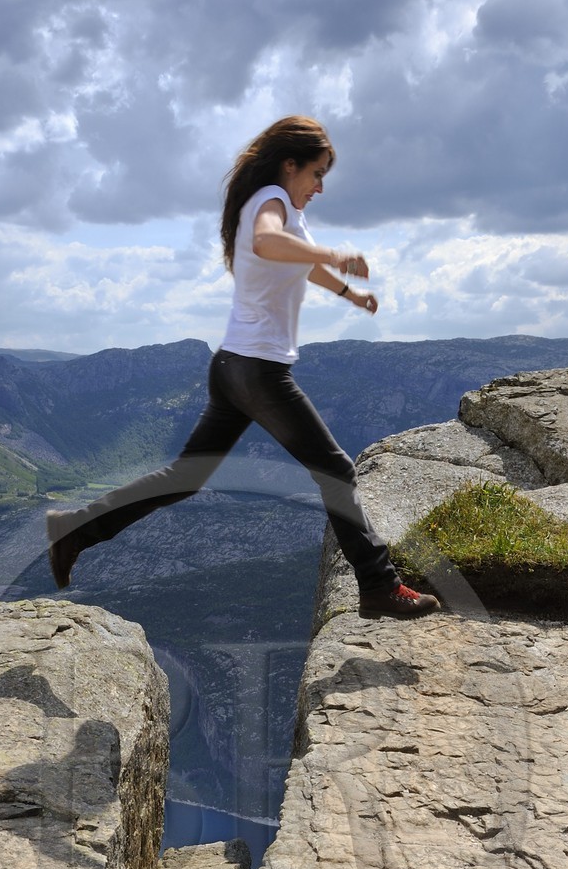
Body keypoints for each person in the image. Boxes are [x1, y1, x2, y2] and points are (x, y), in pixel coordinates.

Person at [47, 115, 440, 618]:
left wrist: (348, 293)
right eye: (316, 174)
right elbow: (266, 242)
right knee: (336, 469)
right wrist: (338, 255)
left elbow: (294, 259)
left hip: (233, 367)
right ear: (289, 164)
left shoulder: (280, 206)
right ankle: (380, 586)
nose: (320, 187)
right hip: (257, 372)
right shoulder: (270, 204)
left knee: (185, 477)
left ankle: (74, 529)